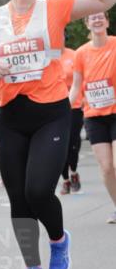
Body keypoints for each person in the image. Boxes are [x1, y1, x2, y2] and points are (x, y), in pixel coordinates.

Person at [0, 0, 116, 269]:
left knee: (38, 191)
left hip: (51, 113)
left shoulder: (56, 6)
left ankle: (58, 239)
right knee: (19, 200)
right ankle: (32, 268)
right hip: (10, 117)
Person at [70, 12, 116, 223]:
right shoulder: (81, 53)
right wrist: (63, 110)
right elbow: (76, 86)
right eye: (92, 18)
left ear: (107, 21)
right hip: (94, 116)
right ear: (87, 24)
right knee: (106, 168)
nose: (97, 20)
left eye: (100, 17)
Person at [58, 44, 83, 194]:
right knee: (59, 145)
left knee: (72, 143)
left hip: (74, 106)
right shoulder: (47, 56)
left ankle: (74, 172)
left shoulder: (73, 55)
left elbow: (82, 78)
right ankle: (66, 180)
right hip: (54, 107)